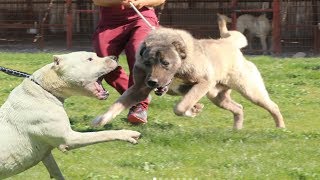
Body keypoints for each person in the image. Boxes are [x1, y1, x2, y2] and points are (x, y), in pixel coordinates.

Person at [92, 0, 165, 124]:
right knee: (105, 64)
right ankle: (137, 95)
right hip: (110, 21)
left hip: (141, 16)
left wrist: (142, 2)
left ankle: (139, 106)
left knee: (138, 52)